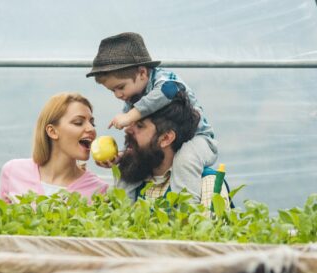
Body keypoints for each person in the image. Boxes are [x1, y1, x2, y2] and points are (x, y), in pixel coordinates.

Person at [86, 32, 218, 203]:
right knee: (128, 166)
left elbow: (170, 90)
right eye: (113, 91)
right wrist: (121, 156)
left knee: (185, 160)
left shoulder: (163, 80)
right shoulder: (133, 95)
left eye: (120, 87)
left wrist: (130, 116)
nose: (118, 95)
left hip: (199, 140)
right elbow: (140, 140)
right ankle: (123, 214)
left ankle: (186, 215)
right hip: (163, 145)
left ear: (142, 73)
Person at [115, 91, 228, 207]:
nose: (127, 129)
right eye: (129, 122)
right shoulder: (131, 177)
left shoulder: (208, 185)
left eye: (139, 126)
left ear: (166, 138)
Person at [0, 92, 108, 202]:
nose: (91, 129)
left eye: (92, 123)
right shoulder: (13, 171)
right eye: (78, 122)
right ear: (52, 131)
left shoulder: (98, 190)